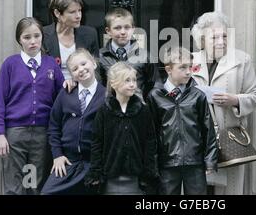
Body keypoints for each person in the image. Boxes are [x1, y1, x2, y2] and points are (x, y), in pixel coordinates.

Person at [190, 12, 256, 195]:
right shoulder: (191, 61)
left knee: (230, 190)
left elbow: (255, 96)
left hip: (229, 139)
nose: (221, 41)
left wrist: (235, 100)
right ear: (202, 39)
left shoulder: (241, 60)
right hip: (198, 140)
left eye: (224, 35)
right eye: (214, 37)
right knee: (200, 191)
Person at [0, 17, 64, 194]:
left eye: (36, 36)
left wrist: (70, 85)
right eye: (27, 37)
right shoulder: (11, 64)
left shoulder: (50, 65)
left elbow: (61, 98)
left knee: (34, 183)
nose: (33, 41)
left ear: (42, 37)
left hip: (41, 134)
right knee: (13, 185)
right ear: (19, 40)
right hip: (15, 134)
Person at [147, 47, 218, 195]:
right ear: (168, 69)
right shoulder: (155, 96)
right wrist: (151, 164)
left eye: (190, 67)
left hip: (194, 161)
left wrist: (210, 160)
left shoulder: (198, 96)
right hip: (167, 162)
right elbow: (150, 134)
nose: (188, 72)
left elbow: (208, 129)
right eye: (182, 67)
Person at [84, 62, 158, 195]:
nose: (132, 84)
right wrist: (95, 172)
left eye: (134, 80)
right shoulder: (104, 111)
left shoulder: (143, 110)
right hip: (111, 176)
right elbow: (97, 143)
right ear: (113, 84)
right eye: (127, 80)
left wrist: (149, 172)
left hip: (136, 177)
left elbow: (150, 142)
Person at [41, 49, 105, 195]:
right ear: (71, 75)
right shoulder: (66, 94)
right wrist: (57, 155)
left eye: (84, 63)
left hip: (93, 163)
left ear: (94, 64)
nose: (81, 69)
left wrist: (99, 165)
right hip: (68, 162)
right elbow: (54, 127)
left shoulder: (106, 96)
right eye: (75, 69)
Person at [98, 7, 159, 99]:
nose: (123, 32)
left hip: (137, 109)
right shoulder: (100, 56)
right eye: (117, 28)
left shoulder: (145, 56)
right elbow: (98, 88)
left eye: (127, 27)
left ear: (133, 29)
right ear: (108, 31)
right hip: (110, 109)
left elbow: (155, 86)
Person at [43, 0, 99, 80]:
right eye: (72, 12)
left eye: (79, 10)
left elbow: (96, 70)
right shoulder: (43, 35)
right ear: (57, 13)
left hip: (82, 87)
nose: (78, 16)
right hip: (52, 90)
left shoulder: (90, 34)